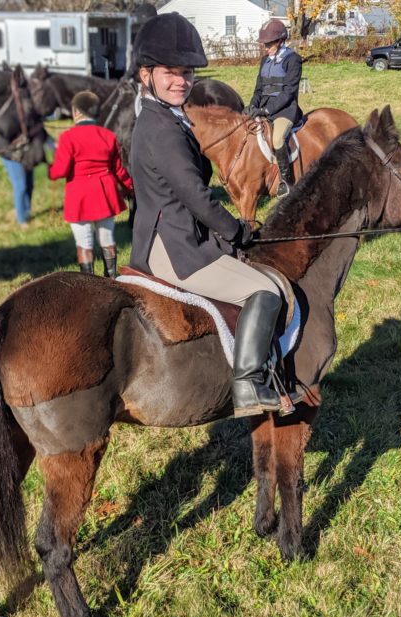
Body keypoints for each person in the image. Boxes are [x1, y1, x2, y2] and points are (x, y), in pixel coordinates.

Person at [129, 13, 286, 418]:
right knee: (266, 292)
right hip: (176, 245)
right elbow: (197, 198)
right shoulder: (163, 128)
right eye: (170, 73)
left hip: (169, 232)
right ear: (147, 74)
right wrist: (237, 231)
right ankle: (249, 385)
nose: (181, 80)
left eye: (186, 72)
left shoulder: (158, 116)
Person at [48, 90, 133, 277]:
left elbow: (60, 171)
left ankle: (88, 279)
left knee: (84, 242)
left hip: (79, 195)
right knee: (107, 238)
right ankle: (111, 277)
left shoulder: (67, 137)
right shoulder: (108, 136)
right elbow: (119, 170)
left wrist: (49, 170)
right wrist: (132, 186)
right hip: (105, 193)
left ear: (76, 112)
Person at [243, 18, 303, 198]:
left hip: (285, 109)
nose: (265, 47)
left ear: (280, 41)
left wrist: (268, 111)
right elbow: (259, 88)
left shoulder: (293, 60)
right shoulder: (265, 60)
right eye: (264, 44)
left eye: (268, 44)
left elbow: (288, 92)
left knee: (277, 139)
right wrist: (253, 104)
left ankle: (287, 181)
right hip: (264, 107)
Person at [1, 157, 34, 228]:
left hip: (27, 153)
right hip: (11, 154)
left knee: (29, 184)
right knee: (20, 186)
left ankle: (27, 212)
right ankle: (21, 219)